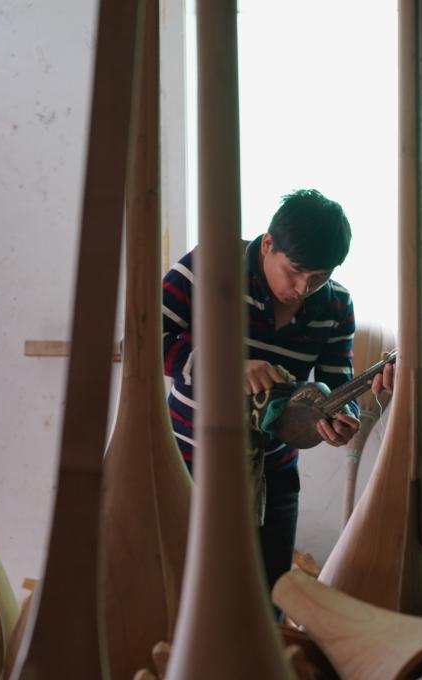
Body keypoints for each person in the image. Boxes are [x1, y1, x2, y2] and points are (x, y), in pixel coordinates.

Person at [162, 188, 363, 596]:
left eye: (319, 277)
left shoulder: (336, 306)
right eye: (295, 271)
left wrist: (342, 417)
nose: (303, 288)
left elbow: (338, 383)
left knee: (265, 597)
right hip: (187, 463)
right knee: (182, 593)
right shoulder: (210, 265)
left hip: (273, 475)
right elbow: (141, 341)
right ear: (268, 243)